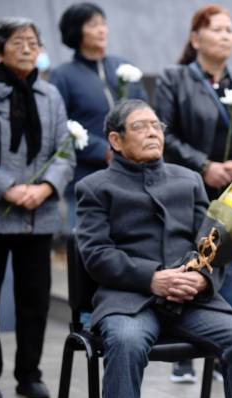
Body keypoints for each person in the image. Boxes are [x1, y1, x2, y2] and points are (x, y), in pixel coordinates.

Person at [75, 99, 232, 398]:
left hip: (191, 301)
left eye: (157, 126)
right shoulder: (95, 188)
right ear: (116, 140)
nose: (153, 132)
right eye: (141, 126)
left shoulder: (188, 180)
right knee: (126, 342)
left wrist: (201, 279)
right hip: (130, 301)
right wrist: (152, 278)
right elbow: (96, 254)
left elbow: (210, 245)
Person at [0, 17, 75, 398]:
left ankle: (29, 373)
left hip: (37, 216)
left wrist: (42, 188)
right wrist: (9, 189)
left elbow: (64, 151)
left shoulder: (51, 96)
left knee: (35, 300)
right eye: (18, 41)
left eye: (33, 42)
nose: (28, 48)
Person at [156, 4, 232, 381]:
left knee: (226, 261)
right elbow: (165, 132)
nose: (226, 35)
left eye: (230, 30)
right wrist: (204, 165)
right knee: (186, 258)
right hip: (186, 186)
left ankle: (221, 353)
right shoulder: (174, 78)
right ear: (196, 38)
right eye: (218, 29)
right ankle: (183, 357)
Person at [50, 2, 148, 232]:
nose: (102, 30)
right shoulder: (63, 75)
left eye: (103, 24)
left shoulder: (123, 67)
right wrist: (103, 149)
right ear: (77, 30)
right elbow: (59, 124)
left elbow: (144, 110)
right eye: (93, 25)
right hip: (85, 178)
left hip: (130, 175)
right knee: (87, 246)